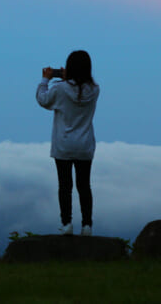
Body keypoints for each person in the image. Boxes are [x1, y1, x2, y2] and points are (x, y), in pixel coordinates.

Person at [36, 49, 100, 236]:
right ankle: (87, 226)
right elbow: (79, 89)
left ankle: (67, 224)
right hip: (85, 144)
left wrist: (46, 80)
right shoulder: (95, 90)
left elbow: (43, 100)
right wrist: (69, 79)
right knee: (84, 186)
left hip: (63, 144)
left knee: (65, 186)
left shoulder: (60, 88)